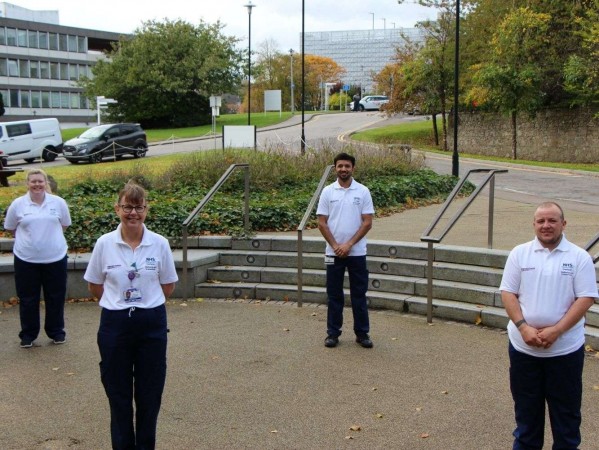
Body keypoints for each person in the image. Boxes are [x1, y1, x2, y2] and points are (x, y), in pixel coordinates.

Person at [84, 182, 178, 450]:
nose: (133, 213)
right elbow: (94, 285)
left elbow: (168, 285)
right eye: (127, 207)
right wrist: (115, 302)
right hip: (115, 325)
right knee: (118, 394)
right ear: (117, 209)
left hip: (151, 324)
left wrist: (146, 301)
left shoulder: (159, 244)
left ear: (146, 210)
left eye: (138, 207)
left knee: (150, 394)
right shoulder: (104, 243)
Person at [500, 201, 598, 449]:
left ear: (563, 224)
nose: (546, 225)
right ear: (534, 224)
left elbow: (585, 297)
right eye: (541, 221)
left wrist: (557, 330)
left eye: (552, 220)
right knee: (526, 418)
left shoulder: (579, 257)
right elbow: (508, 293)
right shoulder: (519, 253)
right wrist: (523, 327)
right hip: (524, 350)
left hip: (565, 351)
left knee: (566, 420)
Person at [3, 168, 71, 348]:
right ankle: (28, 335)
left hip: (55, 258)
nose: (37, 184)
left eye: (40, 181)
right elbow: (11, 227)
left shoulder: (58, 203)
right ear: (27, 183)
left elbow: (64, 224)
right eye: (33, 181)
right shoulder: (18, 205)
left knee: (55, 297)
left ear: (45, 183)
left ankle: (57, 332)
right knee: (27, 299)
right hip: (26, 260)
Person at [317, 152, 374, 348]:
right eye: (340, 166)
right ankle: (332, 333)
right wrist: (335, 246)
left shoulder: (363, 191)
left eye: (347, 166)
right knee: (334, 295)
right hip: (332, 253)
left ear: (353, 168)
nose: (343, 169)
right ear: (335, 168)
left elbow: (367, 223)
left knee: (359, 294)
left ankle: (362, 333)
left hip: (357, 253)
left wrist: (348, 245)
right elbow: (321, 223)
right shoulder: (327, 192)